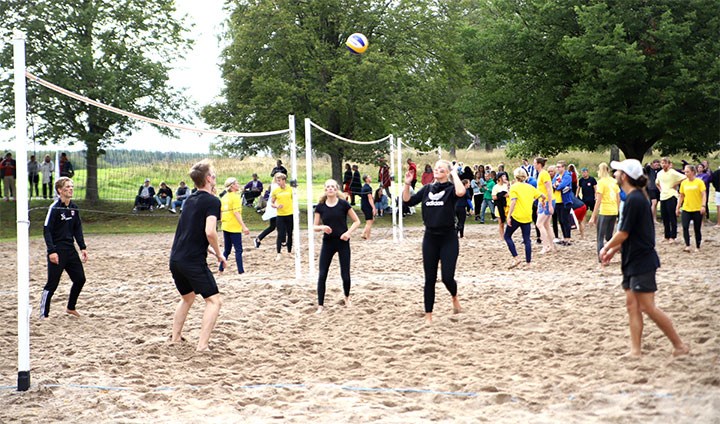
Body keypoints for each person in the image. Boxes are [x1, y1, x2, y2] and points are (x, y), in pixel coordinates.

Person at [600, 159, 688, 358]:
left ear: (624, 176)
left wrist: (606, 247)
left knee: (647, 307)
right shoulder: (634, 197)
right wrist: (614, 251)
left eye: (618, 171)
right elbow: (630, 233)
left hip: (642, 260)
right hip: (632, 258)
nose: (615, 174)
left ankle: (679, 345)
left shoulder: (635, 199)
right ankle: (635, 351)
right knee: (632, 306)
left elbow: (623, 232)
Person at [169, 159, 226, 352]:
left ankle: (175, 338)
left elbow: (190, 231)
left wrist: (208, 249)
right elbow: (210, 232)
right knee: (214, 301)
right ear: (209, 178)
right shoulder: (212, 201)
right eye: (214, 174)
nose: (215, 177)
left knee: (187, 298)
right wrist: (219, 254)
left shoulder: (189, 200)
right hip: (192, 262)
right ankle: (202, 346)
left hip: (176, 259)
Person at [403, 160, 464, 323]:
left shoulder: (451, 189)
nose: (437, 171)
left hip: (448, 237)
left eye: (441, 169)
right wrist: (407, 184)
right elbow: (408, 201)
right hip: (430, 237)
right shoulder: (427, 189)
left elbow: (461, 192)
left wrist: (454, 174)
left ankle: (454, 296)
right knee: (429, 278)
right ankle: (428, 316)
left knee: (447, 277)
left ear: (447, 173)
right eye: (436, 168)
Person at [39, 176, 88, 319]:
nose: (70, 189)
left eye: (72, 186)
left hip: (70, 250)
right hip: (57, 250)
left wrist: (82, 247)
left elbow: (77, 229)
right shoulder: (54, 208)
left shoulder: (74, 208)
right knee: (52, 284)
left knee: (80, 279)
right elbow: (46, 230)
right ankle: (43, 314)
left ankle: (70, 307)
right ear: (60, 190)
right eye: (67, 187)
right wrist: (51, 251)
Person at [314, 179, 361, 313]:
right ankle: (320, 305)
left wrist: (348, 233)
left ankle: (347, 297)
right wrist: (322, 227)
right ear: (325, 189)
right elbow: (314, 226)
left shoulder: (344, 204)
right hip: (328, 243)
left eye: (333, 187)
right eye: (328, 187)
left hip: (342, 242)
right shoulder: (320, 206)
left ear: (336, 189)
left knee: (345, 274)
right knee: (322, 274)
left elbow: (357, 221)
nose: (330, 189)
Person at [504, 168, 544, 268]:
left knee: (507, 236)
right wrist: (541, 202)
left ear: (515, 176)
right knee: (527, 240)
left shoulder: (514, 187)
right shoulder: (530, 187)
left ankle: (516, 258)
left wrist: (508, 216)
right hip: (527, 216)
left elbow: (513, 201)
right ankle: (528, 263)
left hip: (517, 216)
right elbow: (542, 195)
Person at [589, 163, 620, 260]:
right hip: (613, 211)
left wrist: (593, 216)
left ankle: (601, 257)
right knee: (609, 236)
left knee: (600, 237)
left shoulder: (601, 182)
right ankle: (619, 249)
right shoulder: (614, 181)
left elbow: (598, 200)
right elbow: (618, 197)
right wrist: (618, 211)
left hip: (604, 211)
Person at [220, 177, 251, 273]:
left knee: (227, 250)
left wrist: (223, 221)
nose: (238, 184)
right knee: (238, 250)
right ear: (232, 185)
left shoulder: (224, 197)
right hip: (233, 226)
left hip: (225, 225)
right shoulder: (235, 197)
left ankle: (220, 269)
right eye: (236, 183)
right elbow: (236, 213)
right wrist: (244, 226)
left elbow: (221, 212)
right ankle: (241, 271)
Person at [676, 165, 706, 252]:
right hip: (686, 208)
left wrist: (703, 205)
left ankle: (698, 246)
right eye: (685, 172)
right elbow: (681, 196)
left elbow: (704, 194)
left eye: (687, 172)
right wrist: (677, 207)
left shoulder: (699, 182)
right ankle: (687, 245)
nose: (685, 173)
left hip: (697, 208)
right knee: (685, 227)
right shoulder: (684, 183)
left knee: (697, 229)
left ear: (693, 172)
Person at [656, 158, 685, 243]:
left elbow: (684, 177)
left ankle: (673, 236)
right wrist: (660, 190)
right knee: (664, 217)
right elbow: (657, 183)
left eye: (665, 163)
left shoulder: (672, 172)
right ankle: (666, 235)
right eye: (662, 163)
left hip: (671, 196)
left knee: (672, 217)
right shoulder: (660, 173)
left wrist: (676, 184)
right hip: (663, 196)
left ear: (669, 164)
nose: (663, 165)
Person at [534, 158, 555, 254]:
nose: (533, 165)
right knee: (546, 225)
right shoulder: (541, 174)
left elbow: (549, 189)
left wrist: (550, 204)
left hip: (546, 201)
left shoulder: (544, 174)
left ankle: (545, 246)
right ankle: (551, 246)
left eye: (535, 163)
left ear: (539, 164)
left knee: (539, 224)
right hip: (543, 201)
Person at [270, 173, 294, 260]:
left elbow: (294, 199)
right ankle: (279, 253)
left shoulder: (290, 189)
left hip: (290, 214)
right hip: (280, 215)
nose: (278, 182)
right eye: (277, 180)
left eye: (279, 180)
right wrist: (276, 206)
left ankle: (289, 252)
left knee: (290, 233)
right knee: (280, 234)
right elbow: (272, 203)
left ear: (284, 180)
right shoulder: (276, 191)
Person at [255, 173, 282, 248]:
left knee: (273, 226)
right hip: (275, 208)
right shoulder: (275, 186)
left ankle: (259, 238)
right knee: (279, 225)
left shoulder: (274, 185)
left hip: (276, 208)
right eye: (279, 179)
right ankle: (282, 241)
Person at [553, 161, 573, 244]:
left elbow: (562, 185)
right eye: (557, 167)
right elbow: (552, 184)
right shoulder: (557, 176)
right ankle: (564, 237)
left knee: (565, 220)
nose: (558, 169)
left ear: (563, 167)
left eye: (559, 167)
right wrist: (555, 185)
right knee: (560, 220)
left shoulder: (567, 176)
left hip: (565, 201)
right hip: (557, 200)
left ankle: (568, 238)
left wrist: (557, 185)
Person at [492, 172, 509, 240]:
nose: (505, 177)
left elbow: (509, 194)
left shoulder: (506, 185)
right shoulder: (496, 187)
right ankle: (502, 236)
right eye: (503, 176)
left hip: (507, 205)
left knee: (509, 221)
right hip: (499, 206)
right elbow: (494, 197)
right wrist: (501, 194)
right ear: (499, 178)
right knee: (501, 222)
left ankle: (507, 235)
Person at [359, 175, 376, 239]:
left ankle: (363, 233)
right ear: (366, 179)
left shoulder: (364, 187)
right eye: (369, 177)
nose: (370, 178)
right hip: (367, 206)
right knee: (369, 221)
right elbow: (370, 198)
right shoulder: (368, 188)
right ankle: (367, 237)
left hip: (364, 205)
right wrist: (373, 207)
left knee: (371, 220)